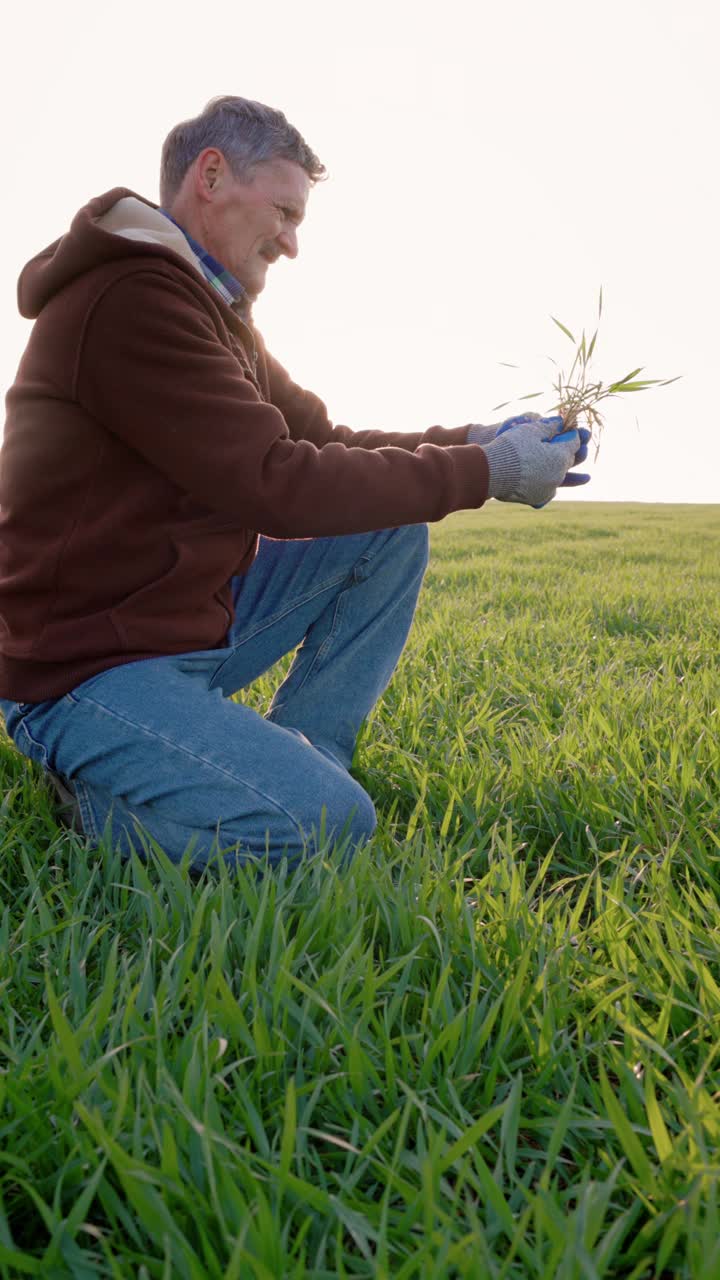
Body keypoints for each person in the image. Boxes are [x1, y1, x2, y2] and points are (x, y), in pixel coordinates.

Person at [0, 96, 590, 872]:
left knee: (383, 533)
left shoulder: (212, 308)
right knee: (332, 826)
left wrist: (478, 441)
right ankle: (114, 802)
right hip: (79, 667)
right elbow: (276, 484)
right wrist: (490, 473)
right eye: (284, 211)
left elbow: (323, 440)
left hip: (167, 627)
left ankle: (300, 764)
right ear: (211, 176)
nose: (292, 242)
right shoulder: (130, 301)